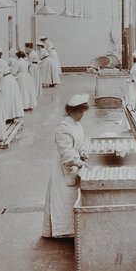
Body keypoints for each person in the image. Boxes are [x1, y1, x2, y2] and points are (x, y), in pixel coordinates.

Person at [42, 94, 90, 238]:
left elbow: (80, 143)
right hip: (64, 168)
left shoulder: (77, 125)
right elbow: (66, 151)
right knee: (63, 199)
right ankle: (62, 230)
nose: (82, 115)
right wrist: (76, 160)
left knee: (72, 199)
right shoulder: (63, 128)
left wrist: (83, 152)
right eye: (80, 112)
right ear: (72, 111)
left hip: (74, 166)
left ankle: (72, 229)